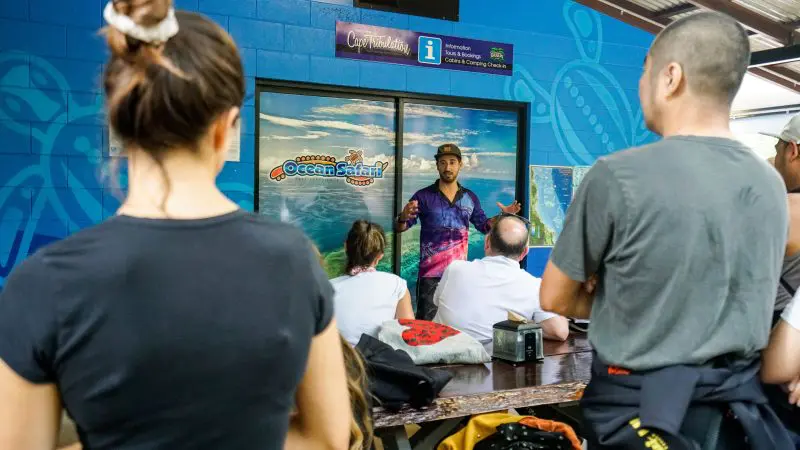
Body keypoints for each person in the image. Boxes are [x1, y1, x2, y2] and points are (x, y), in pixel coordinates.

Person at [0, 2, 351, 449]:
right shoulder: (295, 259)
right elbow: (327, 440)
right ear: (226, 128)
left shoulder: (43, 282)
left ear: (119, 124)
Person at [540, 12, 791, 448]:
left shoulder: (617, 175)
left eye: (644, 71)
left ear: (671, 77)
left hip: (640, 414)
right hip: (737, 417)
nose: (641, 85)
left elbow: (555, 298)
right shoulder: (769, 183)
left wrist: (620, 293)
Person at [395, 143, 521, 320]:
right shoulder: (422, 196)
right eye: (443, 162)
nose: (448, 167)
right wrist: (402, 217)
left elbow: (484, 226)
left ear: (460, 164)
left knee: (457, 325)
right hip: (430, 277)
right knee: (427, 328)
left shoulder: (470, 198)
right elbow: (400, 227)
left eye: (452, 162)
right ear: (437, 165)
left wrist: (503, 216)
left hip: (460, 275)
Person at [433, 214, 569, 342]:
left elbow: (437, 302)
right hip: (491, 364)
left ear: (487, 242)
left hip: (439, 360)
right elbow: (559, 331)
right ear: (524, 253)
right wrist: (525, 323)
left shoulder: (455, 269)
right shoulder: (535, 286)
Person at [332, 220, 414, 346]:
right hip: (380, 363)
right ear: (380, 255)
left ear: (345, 247)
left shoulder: (326, 287)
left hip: (339, 362)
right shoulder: (397, 285)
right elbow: (409, 335)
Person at [764, 114, 800, 318]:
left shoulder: (782, 210)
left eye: (777, 151)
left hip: (783, 340)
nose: (774, 161)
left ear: (792, 151)